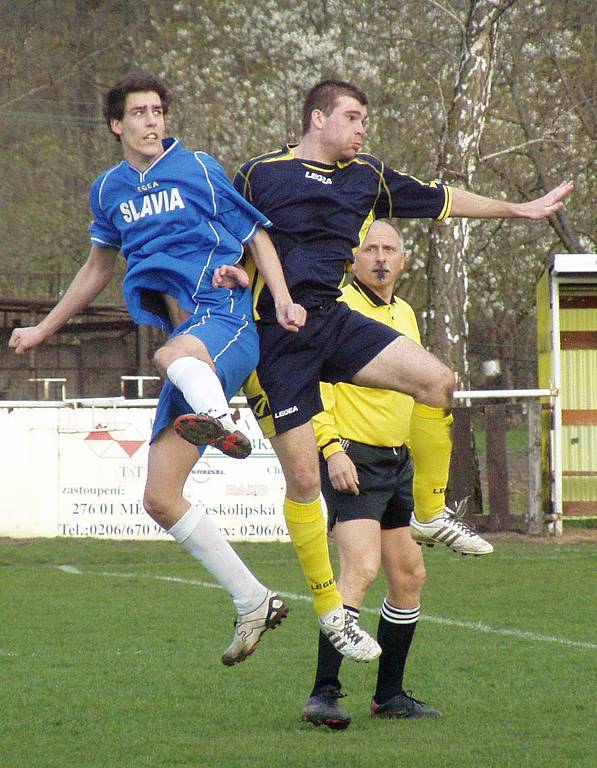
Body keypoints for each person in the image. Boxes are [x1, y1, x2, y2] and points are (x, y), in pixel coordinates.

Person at [208, 79, 571, 668]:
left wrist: (518, 209)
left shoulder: (367, 176)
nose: (361, 128)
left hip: (330, 319)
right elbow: (232, 243)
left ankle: (429, 511)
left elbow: (445, 199)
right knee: (303, 483)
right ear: (317, 118)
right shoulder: (259, 174)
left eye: (364, 120)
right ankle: (331, 613)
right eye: (352, 117)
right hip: (277, 340)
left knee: (439, 382)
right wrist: (234, 275)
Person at [8, 70, 311, 667]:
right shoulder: (107, 191)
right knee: (160, 497)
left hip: (221, 321)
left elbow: (257, 236)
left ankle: (223, 423)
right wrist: (45, 328)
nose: (152, 121)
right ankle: (253, 600)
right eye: (139, 113)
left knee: (170, 356)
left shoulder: (198, 167)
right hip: (186, 350)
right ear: (117, 124)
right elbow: (98, 268)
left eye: (158, 111)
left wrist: (279, 297)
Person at [302, 219, 448, 729]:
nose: (381, 258)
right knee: (360, 570)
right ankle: (323, 693)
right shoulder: (335, 309)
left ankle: (389, 697)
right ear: (353, 258)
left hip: (396, 461)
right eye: (371, 249)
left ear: (403, 260)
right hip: (352, 458)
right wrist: (331, 447)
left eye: (390, 249)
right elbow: (312, 383)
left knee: (408, 576)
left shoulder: (405, 313)